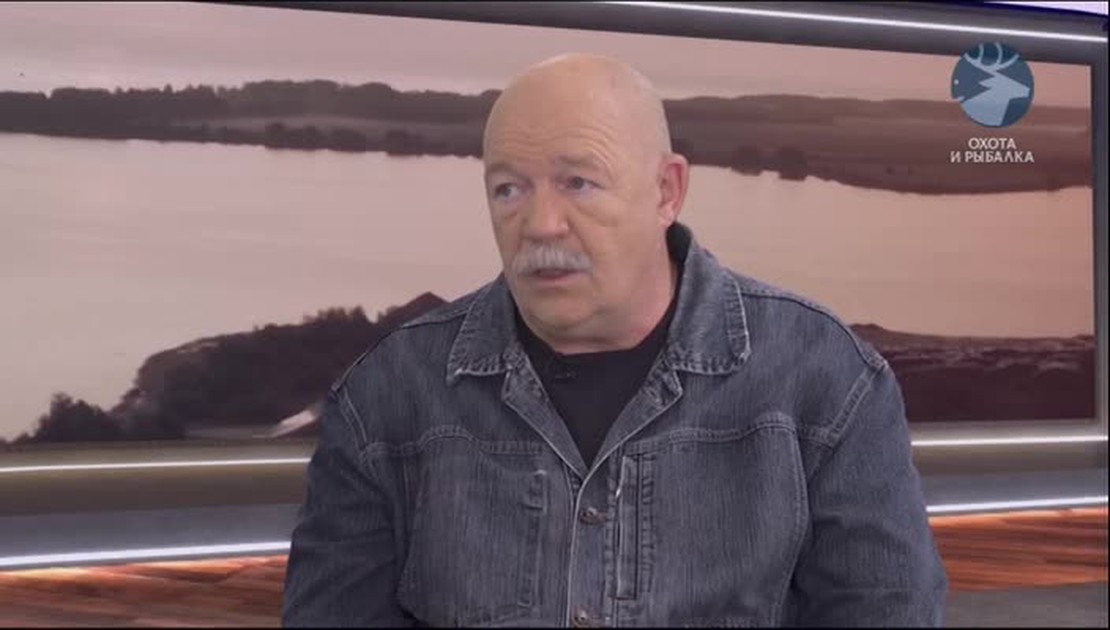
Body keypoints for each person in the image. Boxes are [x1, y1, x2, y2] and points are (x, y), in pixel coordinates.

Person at [282, 53, 948, 627]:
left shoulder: (826, 383)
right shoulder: (387, 398)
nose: (539, 224)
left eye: (578, 182)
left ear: (666, 191)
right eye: (509, 189)